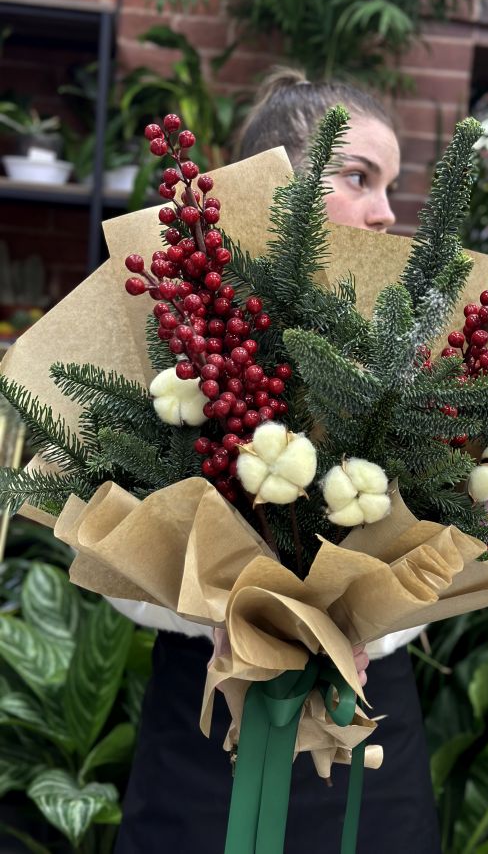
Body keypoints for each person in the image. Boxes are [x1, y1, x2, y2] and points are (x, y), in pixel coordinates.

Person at [112, 68, 440, 854]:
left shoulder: (416, 361)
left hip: (366, 715)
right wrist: (222, 610)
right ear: (273, 188)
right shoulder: (181, 339)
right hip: (209, 714)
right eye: (359, 177)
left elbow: (466, 538)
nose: (387, 211)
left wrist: (383, 609)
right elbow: (107, 542)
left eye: (391, 185)